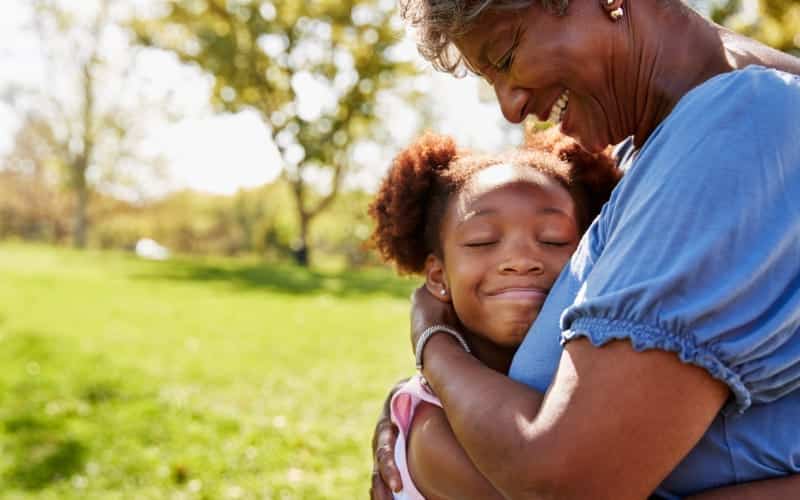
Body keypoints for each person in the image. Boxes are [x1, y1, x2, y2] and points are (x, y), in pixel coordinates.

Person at [370, 0, 800, 498]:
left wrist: (433, 340)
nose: (510, 108)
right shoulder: (637, 156)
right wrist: (418, 410)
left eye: (507, 56)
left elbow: (568, 481)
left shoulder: (737, 130)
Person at [369, 129, 620, 499]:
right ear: (438, 276)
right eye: (482, 241)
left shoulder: (591, 376)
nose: (520, 261)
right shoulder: (432, 428)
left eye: (552, 239)